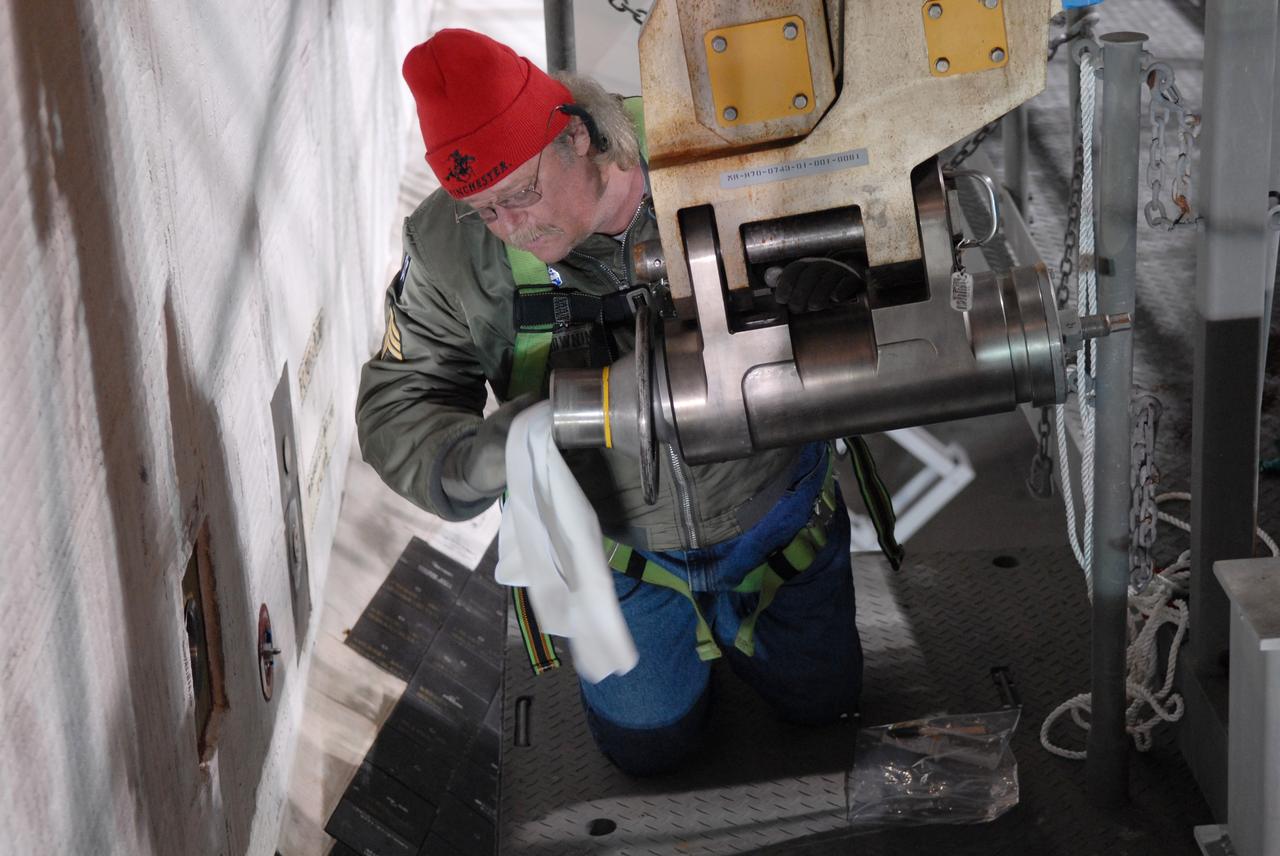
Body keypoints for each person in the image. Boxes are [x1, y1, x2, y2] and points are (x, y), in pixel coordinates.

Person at [356, 28, 864, 777]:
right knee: (651, 751)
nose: (512, 226)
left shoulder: (715, 149)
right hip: (618, 558)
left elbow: (869, 219)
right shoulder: (448, 251)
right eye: (484, 209)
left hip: (776, 518)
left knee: (827, 709)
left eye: (520, 193)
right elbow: (400, 404)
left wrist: (841, 276)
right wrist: (497, 454)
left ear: (578, 136)